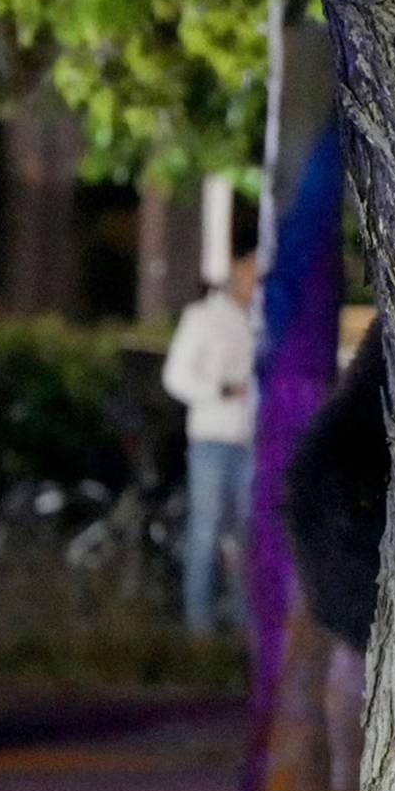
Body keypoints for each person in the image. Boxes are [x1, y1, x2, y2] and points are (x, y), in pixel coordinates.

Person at [163, 248, 258, 635]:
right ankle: (198, 624)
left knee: (246, 532)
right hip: (212, 440)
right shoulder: (203, 318)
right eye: (253, 276)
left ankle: (241, 620)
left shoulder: (259, 320)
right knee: (206, 530)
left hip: (250, 439)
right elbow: (176, 377)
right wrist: (221, 389)